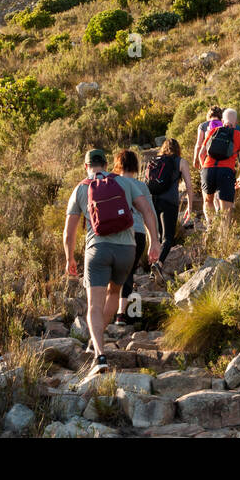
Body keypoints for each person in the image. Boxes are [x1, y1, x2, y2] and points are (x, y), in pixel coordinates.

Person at [64, 147, 160, 369]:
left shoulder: (80, 188)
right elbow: (147, 211)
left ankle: (100, 355)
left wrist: (70, 257)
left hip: (98, 250)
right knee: (115, 292)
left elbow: (69, 232)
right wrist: (154, 242)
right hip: (127, 249)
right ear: (106, 165)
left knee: (94, 307)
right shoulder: (125, 183)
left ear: (86, 166)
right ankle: (96, 339)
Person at [112, 149, 152, 324]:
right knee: (129, 272)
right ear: (135, 165)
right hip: (139, 234)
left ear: (118, 163)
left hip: (119, 234)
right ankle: (123, 313)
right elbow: (150, 213)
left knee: (117, 273)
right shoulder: (142, 186)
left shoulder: (112, 184)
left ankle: (114, 312)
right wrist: (155, 241)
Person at [146, 138, 194, 277]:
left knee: (158, 237)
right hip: (170, 202)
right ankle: (158, 264)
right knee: (168, 237)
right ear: (178, 149)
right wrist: (189, 207)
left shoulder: (155, 161)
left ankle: (152, 269)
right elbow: (189, 186)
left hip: (154, 201)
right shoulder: (180, 161)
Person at [198, 107, 240, 230]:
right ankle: (222, 237)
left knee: (208, 201)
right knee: (225, 211)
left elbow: (201, 154)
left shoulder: (212, 131)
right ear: (236, 123)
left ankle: (210, 228)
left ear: (222, 120)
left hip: (208, 170)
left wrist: (203, 171)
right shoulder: (239, 135)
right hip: (226, 172)